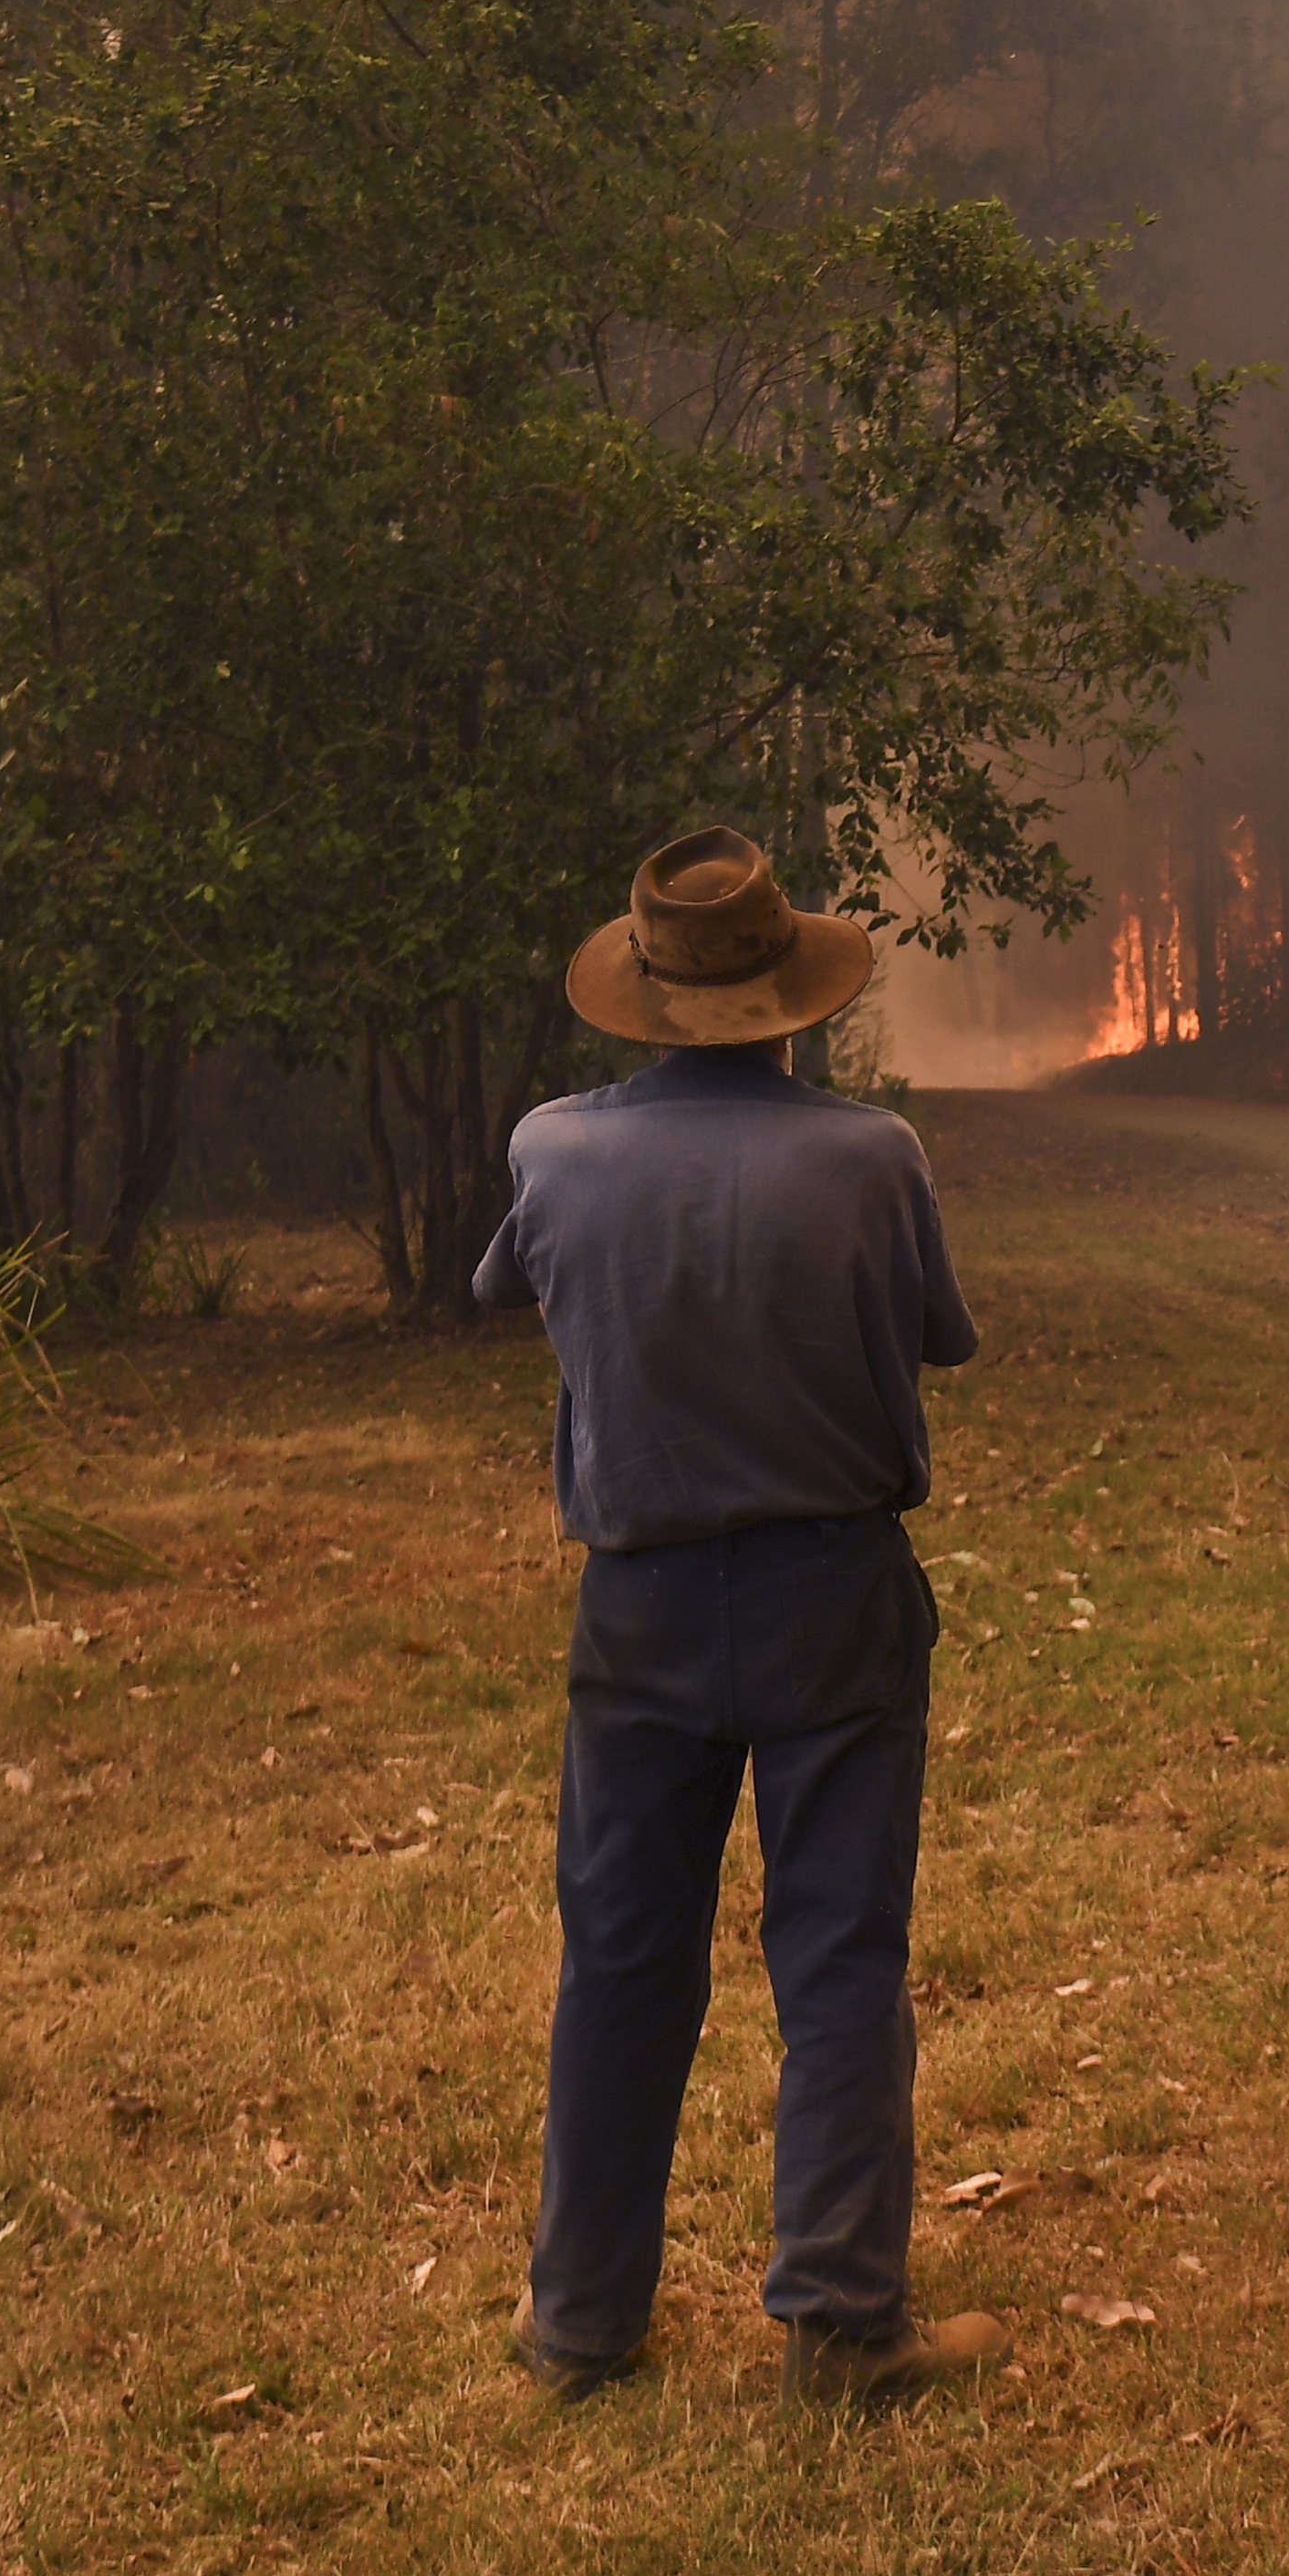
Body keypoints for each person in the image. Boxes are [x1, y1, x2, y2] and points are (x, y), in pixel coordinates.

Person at [473, 825, 1003, 2410]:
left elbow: (513, 1290)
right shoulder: (869, 1159)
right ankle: (841, 2321)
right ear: (792, 999)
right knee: (838, 1949)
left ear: (639, 993)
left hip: (636, 1603)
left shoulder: (552, 1152)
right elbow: (941, 1338)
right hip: (831, 1593)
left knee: (622, 1954)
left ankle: (580, 2318)